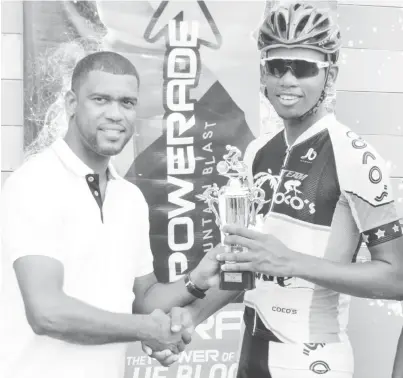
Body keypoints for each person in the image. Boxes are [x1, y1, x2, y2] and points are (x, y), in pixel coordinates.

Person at [147, 3, 403, 377]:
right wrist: (189, 319)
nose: (287, 80)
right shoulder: (257, 153)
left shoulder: (357, 158)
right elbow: (246, 269)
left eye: (303, 67)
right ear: (263, 72)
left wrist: (291, 261)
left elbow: (397, 278)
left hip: (313, 359)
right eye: (276, 66)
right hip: (252, 355)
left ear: (329, 74)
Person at [0, 51, 221, 378]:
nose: (116, 114)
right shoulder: (35, 184)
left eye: (127, 103)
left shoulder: (129, 197)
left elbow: (144, 300)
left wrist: (196, 281)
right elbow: (46, 313)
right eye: (101, 100)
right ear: (72, 103)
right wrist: (147, 329)